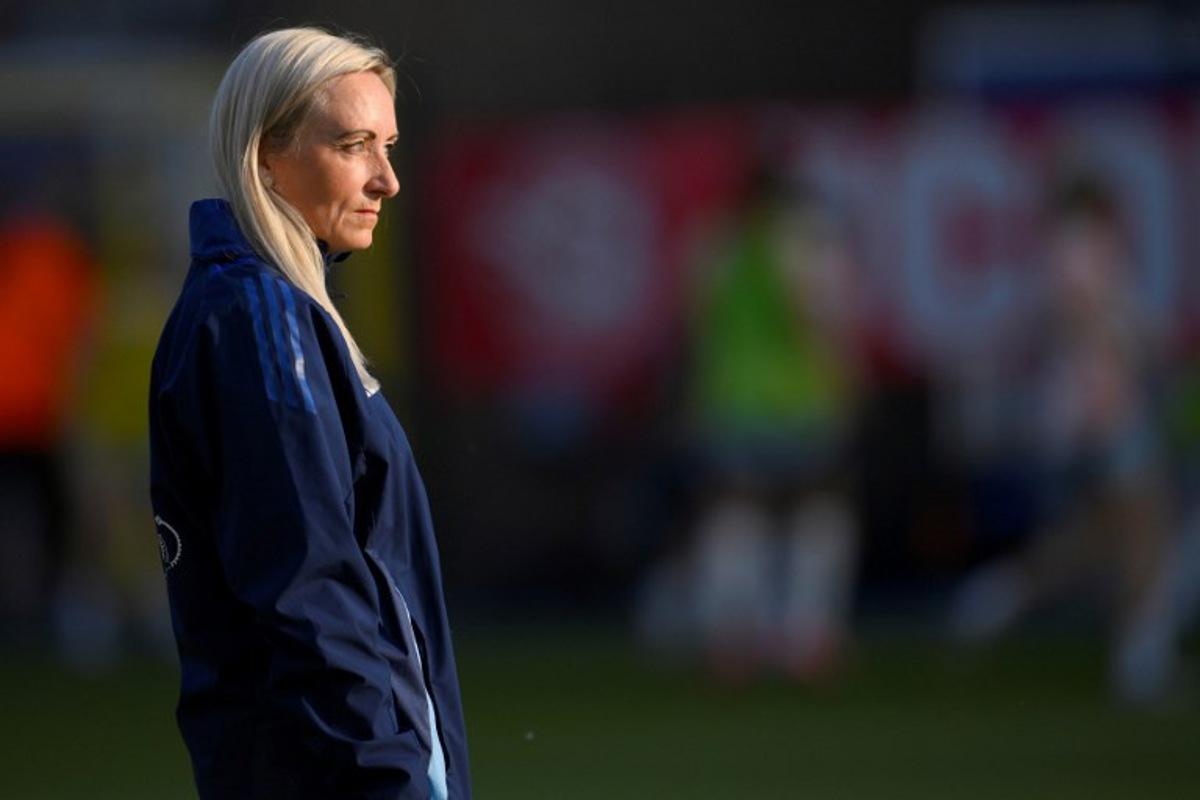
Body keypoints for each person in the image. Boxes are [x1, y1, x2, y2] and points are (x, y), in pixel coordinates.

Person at [148, 28, 470, 798]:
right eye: (355, 144)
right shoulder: (260, 319)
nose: (387, 179)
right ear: (265, 154)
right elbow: (308, 587)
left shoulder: (273, 309)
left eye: (388, 145)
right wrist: (390, 777)